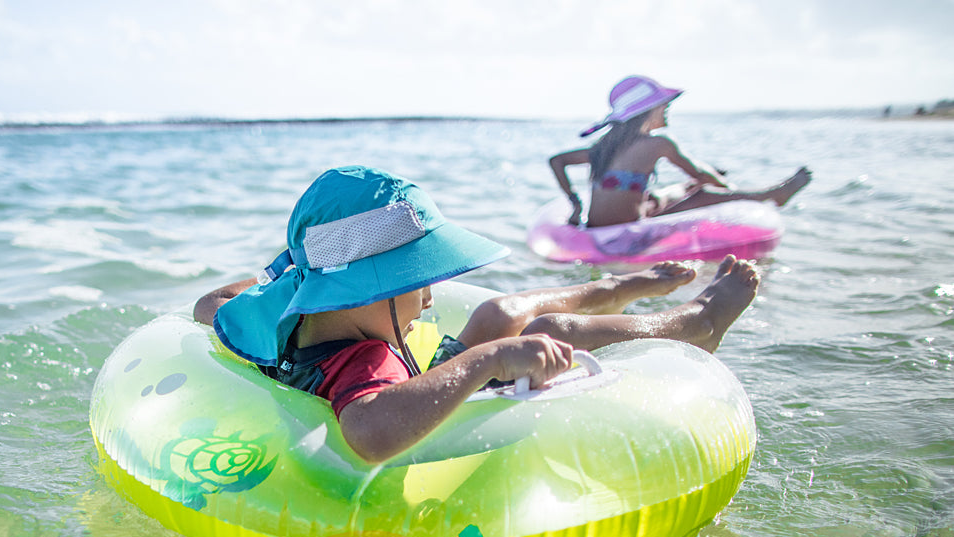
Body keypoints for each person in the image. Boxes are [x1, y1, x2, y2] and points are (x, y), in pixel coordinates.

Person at [195, 165, 759, 464]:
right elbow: (368, 431)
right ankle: (697, 323)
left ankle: (614, 287)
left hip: (375, 334)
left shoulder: (285, 321)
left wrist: (284, 280)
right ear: (367, 289)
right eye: (417, 283)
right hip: (433, 404)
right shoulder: (364, 362)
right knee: (547, 330)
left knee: (498, 308)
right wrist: (493, 359)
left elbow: (208, 306)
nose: (431, 298)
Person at [549, 75, 812, 228]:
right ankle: (771, 195)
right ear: (646, 111)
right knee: (704, 191)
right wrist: (725, 187)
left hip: (600, 224)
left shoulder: (603, 147)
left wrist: (575, 203)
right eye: (663, 105)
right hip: (628, 227)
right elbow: (699, 173)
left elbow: (557, 161)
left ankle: (686, 188)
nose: (667, 109)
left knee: (668, 193)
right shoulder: (659, 144)